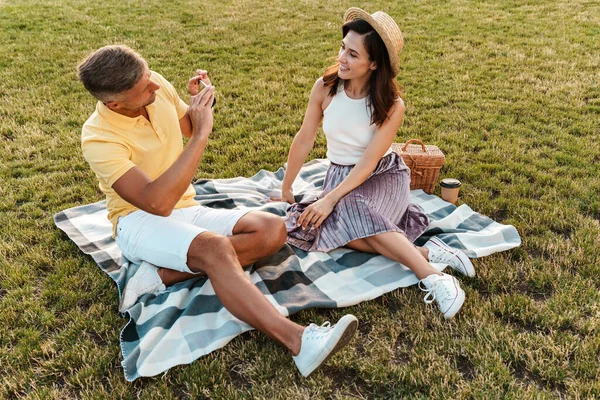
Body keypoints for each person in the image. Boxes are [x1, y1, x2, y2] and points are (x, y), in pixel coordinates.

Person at [76, 45, 357, 377]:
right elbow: (157, 203)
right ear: (115, 103)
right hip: (136, 221)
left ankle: (161, 276)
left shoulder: (155, 84)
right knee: (216, 247)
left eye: (149, 74)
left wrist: (202, 105)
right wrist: (203, 135)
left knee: (272, 229)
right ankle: (299, 342)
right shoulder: (98, 138)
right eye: (145, 86)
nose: (155, 84)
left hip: (186, 208)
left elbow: (191, 128)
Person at [274, 8, 475, 319]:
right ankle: (428, 252)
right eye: (343, 47)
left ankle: (433, 277)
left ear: (374, 63)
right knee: (324, 228)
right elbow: (304, 139)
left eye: (353, 54)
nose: (342, 57)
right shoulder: (325, 88)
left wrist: (329, 200)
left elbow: (368, 163)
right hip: (341, 177)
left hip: (382, 176)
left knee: (350, 215)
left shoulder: (392, 105)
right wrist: (287, 187)